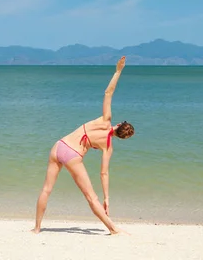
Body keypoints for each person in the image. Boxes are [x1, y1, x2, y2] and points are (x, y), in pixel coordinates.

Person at [31, 56, 135, 235]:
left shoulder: (105, 120)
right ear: (121, 137)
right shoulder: (108, 146)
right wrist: (107, 198)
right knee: (91, 197)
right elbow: (103, 173)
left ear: (119, 124)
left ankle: (37, 228)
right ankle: (113, 229)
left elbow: (108, 93)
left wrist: (118, 71)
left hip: (59, 145)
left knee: (46, 189)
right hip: (73, 156)